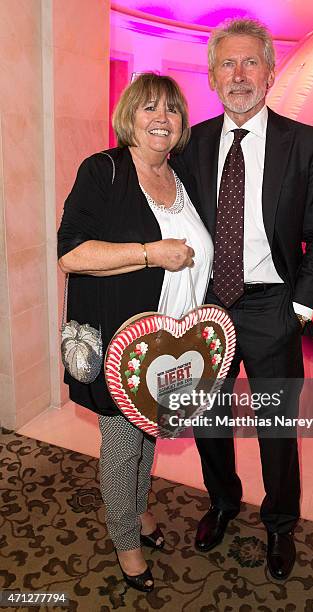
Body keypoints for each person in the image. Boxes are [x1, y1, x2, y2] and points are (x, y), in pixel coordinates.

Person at [171, 18, 313, 580]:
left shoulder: (307, 143)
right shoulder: (188, 145)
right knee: (209, 422)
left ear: (270, 73)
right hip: (207, 309)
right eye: (226, 64)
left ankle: (280, 523)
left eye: (249, 63)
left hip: (273, 308)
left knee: (276, 429)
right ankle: (221, 503)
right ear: (212, 76)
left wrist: (299, 312)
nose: (238, 74)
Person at [57, 73, 213, 592]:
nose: (161, 119)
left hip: (168, 346)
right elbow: (72, 252)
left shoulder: (181, 176)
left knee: (148, 434)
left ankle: (140, 514)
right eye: (148, 108)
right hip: (119, 341)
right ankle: (126, 543)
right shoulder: (103, 171)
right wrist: (149, 253)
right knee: (123, 444)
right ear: (129, 117)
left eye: (170, 110)